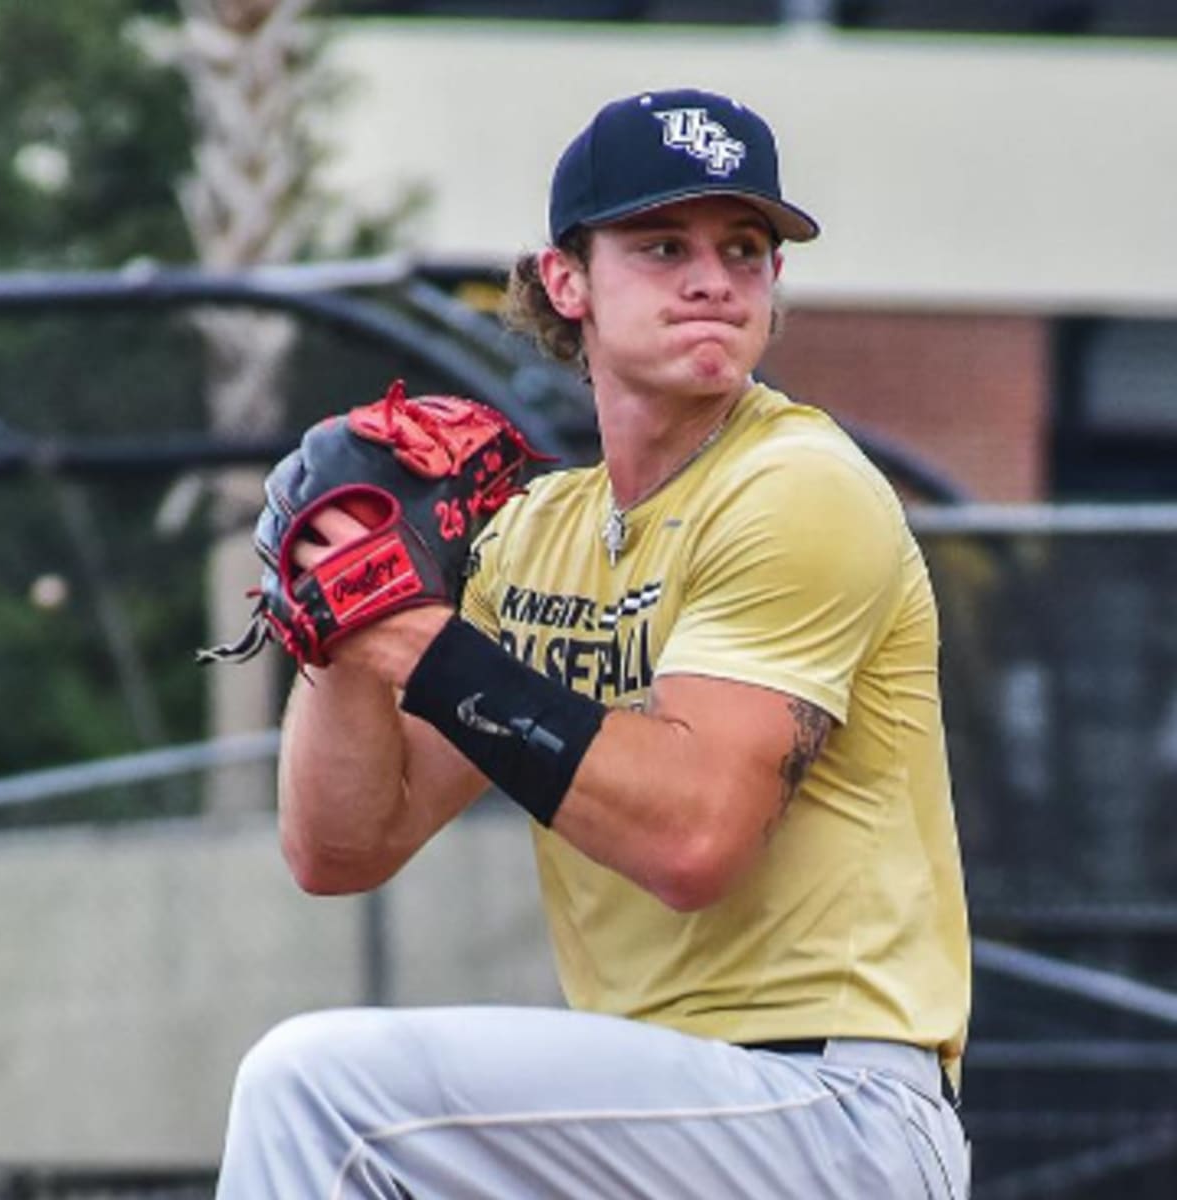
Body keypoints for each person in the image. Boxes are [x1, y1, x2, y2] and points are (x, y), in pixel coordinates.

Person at [215, 87, 971, 1199]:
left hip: (834, 1117)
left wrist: (414, 640)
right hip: (651, 1118)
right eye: (664, 244)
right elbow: (343, 849)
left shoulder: (796, 486)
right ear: (565, 281)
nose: (714, 277)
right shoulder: (536, 536)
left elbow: (697, 843)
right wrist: (342, 637)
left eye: (746, 248)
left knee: (321, 1093)